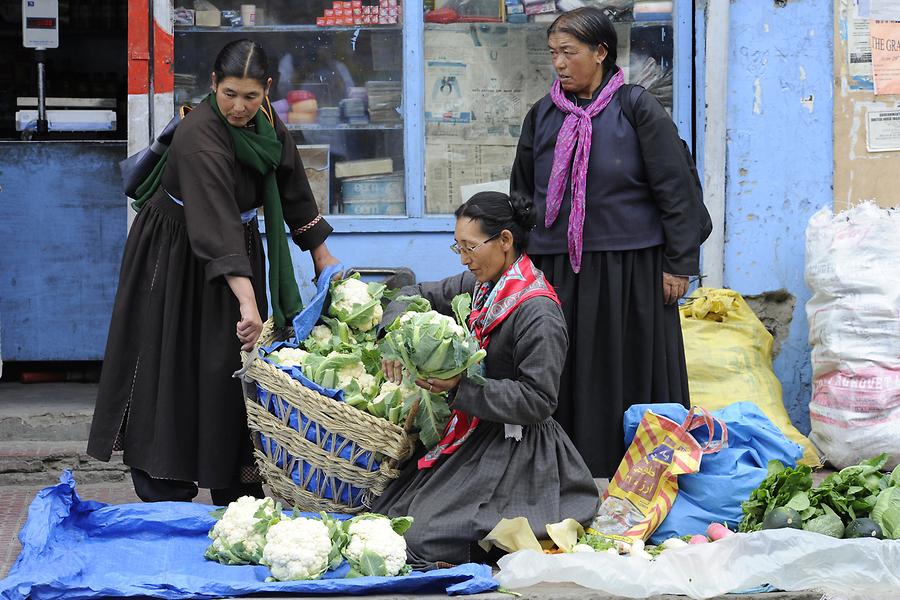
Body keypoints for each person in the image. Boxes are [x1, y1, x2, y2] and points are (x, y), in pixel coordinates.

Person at [87, 40, 340, 505]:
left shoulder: (266, 123)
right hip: (177, 249)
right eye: (228, 94)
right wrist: (248, 302)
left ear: (266, 90)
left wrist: (322, 257)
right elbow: (215, 221)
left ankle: (235, 477)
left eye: (249, 96)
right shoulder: (199, 134)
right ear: (212, 85)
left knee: (231, 363)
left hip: (233, 248)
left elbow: (292, 183)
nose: (238, 107)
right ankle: (164, 482)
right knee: (174, 359)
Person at [509, 7, 710, 478]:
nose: (558, 63)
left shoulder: (636, 108)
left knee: (630, 369)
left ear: (601, 53)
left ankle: (641, 475)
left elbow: (676, 189)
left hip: (631, 270)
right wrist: (517, 262)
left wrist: (678, 264)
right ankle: (566, 472)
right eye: (553, 53)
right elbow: (522, 195)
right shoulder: (541, 116)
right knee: (565, 370)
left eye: (569, 52)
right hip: (557, 270)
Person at [373, 191, 599, 569]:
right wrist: (392, 339)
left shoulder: (538, 313)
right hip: (473, 429)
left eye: (470, 247)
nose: (464, 258)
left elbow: (538, 400)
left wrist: (462, 387)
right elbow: (410, 295)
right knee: (389, 515)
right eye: (457, 247)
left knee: (422, 538)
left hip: (517, 444)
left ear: (505, 241)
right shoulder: (477, 286)